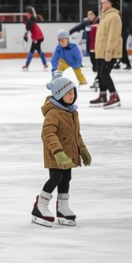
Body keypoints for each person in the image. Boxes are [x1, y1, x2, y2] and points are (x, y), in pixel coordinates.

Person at [31, 72, 91, 227]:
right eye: (68, 93)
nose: (72, 96)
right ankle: (41, 206)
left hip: (69, 154)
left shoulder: (72, 112)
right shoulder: (53, 113)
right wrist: (58, 152)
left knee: (66, 179)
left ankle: (62, 207)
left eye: (73, 92)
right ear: (59, 94)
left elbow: (76, 134)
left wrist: (82, 150)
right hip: (55, 154)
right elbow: (47, 133)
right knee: (56, 178)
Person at [90, 0, 122, 109]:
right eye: (101, 3)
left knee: (104, 74)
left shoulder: (114, 16)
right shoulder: (104, 16)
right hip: (100, 51)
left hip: (109, 51)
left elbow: (113, 36)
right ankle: (102, 96)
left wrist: (109, 51)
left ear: (111, 3)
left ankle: (114, 96)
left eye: (104, 2)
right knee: (100, 74)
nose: (101, 5)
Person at [22, 6, 48, 71]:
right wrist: (26, 34)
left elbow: (30, 28)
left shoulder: (31, 21)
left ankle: (27, 65)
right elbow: (29, 28)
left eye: (28, 14)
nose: (27, 15)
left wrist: (33, 38)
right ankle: (45, 64)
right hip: (38, 37)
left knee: (32, 50)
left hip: (37, 37)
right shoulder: (31, 21)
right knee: (38, 50)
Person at [114, 5, 132, 70]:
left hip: (123, 33)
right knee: (119, 48)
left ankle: (126, 63)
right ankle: (118, 62)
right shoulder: (123, 15)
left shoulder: (122, 16)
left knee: (121, 48)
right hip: (123, 33)